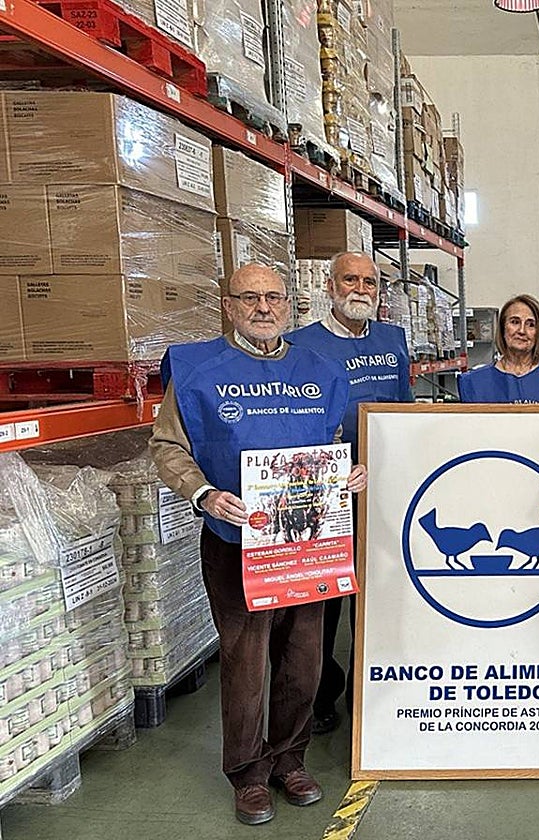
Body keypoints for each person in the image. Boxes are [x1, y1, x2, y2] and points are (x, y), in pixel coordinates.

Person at [150, 263, 368, 826]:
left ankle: (289, 759)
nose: (263, 307)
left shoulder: (320, 370)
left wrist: (348, 475)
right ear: (228, 304)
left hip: (307, 538)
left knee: (304, 656)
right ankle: (247, 773)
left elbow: (333, 441)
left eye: (273, 297)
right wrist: (202, 494)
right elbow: (167, 446)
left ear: (289, 303)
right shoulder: (197, 370)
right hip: (234, 537)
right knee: (244, 659)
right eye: (250, 298)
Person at [286, 251, 412, 735]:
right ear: (330, 285)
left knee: (377, 588)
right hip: (325, 490)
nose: (360, 288)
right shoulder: (301, 346)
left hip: (382, 485)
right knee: (324, 597)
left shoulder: (392, 340)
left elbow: (405, 410)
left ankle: (368, 686)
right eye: (350, 280)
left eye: (369, 281)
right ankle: (320, 692)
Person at [457, 294, 539, 403]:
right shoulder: (473, 382)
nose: (522, 331)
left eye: (531, 324)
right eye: (515, 322)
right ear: (502, 328)